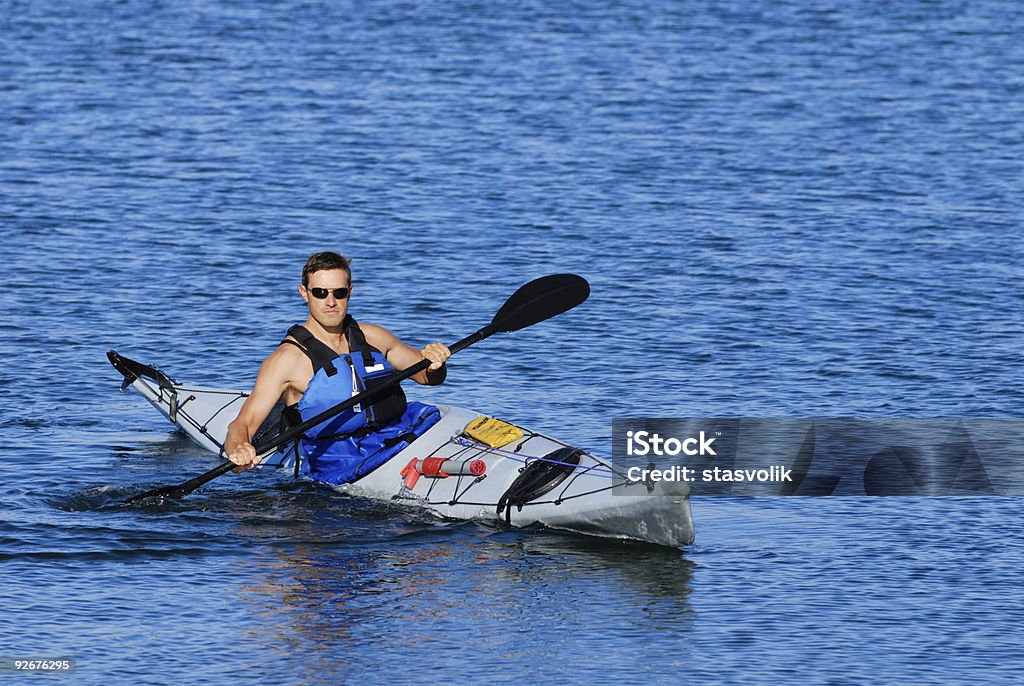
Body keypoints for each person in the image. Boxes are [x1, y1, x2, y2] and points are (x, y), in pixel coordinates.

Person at [224, 251, 450, 483]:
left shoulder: (375, 337)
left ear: (350, 292)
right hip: (337, 460)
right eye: (320, 293)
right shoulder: (286, 361)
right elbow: (243, 424)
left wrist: (435, 366)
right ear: (304, 293)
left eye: (339, 293)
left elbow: (427, 377)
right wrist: (239, 448)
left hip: (399, 433)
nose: (330, 302)